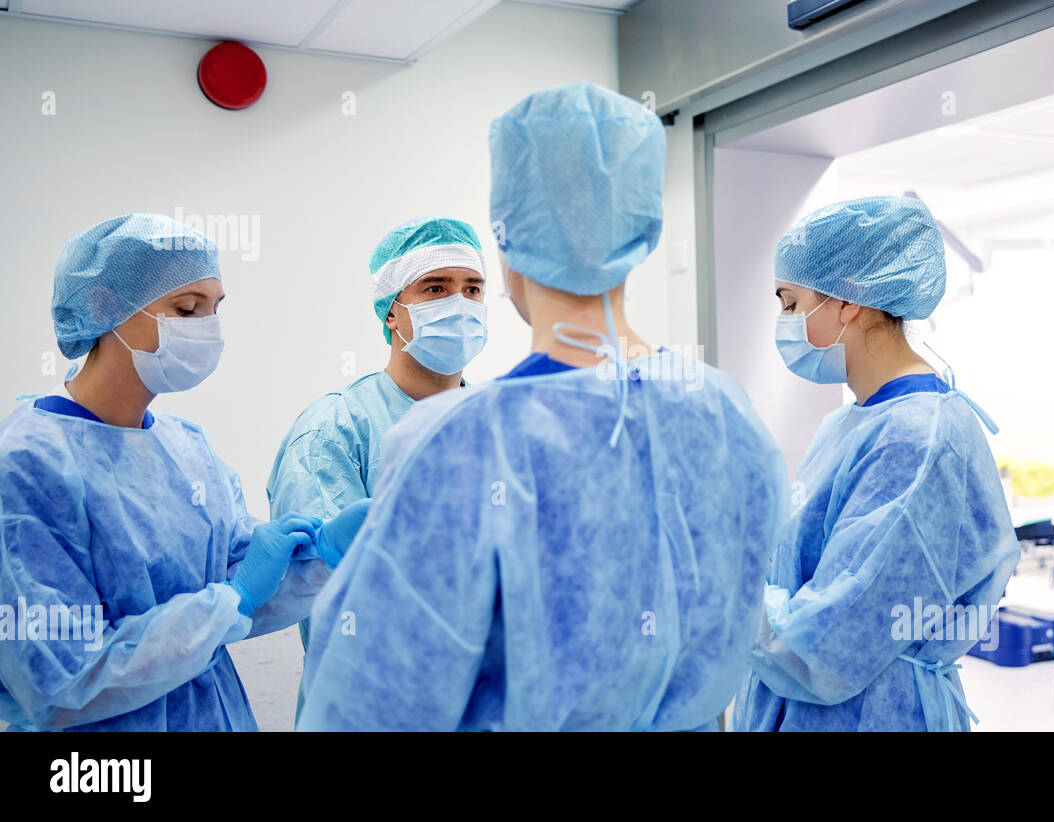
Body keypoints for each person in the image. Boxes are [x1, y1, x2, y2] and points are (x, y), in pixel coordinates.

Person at [298, 82, 788, 731]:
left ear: (507, 251)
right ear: (643, 232)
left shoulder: (457, 442)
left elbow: (374, 705)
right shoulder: (725, 412)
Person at [0, 214, 366, 731]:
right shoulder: (27, 466)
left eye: (215, 309)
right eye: (187, 309)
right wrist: (230, 600)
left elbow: (237, 605)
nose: (207, 329)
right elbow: (60, 682)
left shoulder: (188, 449)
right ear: (105, 306)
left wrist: (320, 556)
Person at [732, 196, 1019, 732]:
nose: (784, 322)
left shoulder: (918, 438)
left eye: (791, 303)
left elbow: (829, 643)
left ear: (849, 302)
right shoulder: (853, 423)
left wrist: (724, 592)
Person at [266, 217, 487, 721]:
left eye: (473, 289)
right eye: (436, 288)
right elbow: (332, 595)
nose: (460, 303)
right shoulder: (334, 430)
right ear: (392, 312)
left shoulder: (501, 424)